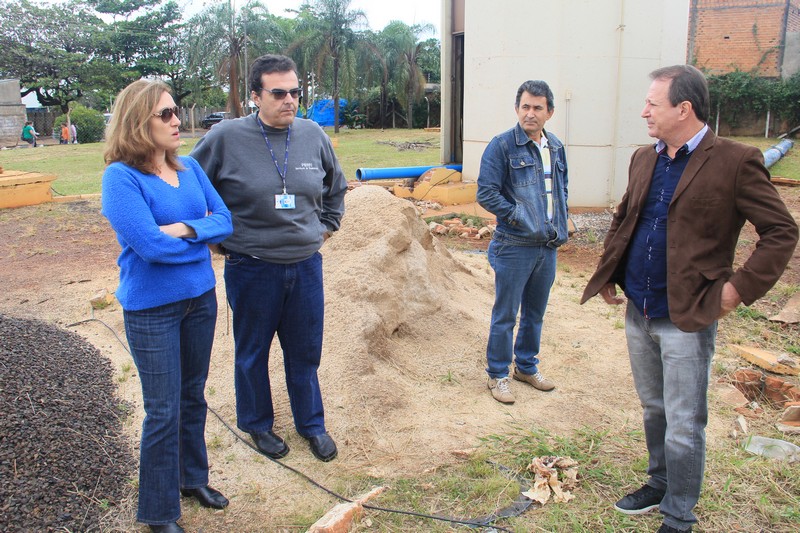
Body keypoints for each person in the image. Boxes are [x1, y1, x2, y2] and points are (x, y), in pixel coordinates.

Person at [581, 65, 798, 533]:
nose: (643, 112)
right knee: (654, 408)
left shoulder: (736, 161)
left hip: (689, 313)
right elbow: (624, 217)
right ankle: (659, 481)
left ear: (684, 108)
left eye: (652, 105)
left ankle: (679, 514)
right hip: (640, 308)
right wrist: (609, 273)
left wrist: (737, 290)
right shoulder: (645, 157)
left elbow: (781, 231)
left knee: (684, 420)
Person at [191, 54, 347, 462]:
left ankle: (311, 424)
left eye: (295, 91)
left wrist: (325, 227)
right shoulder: (226, 138)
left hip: (305, 265)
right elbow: (189, 184)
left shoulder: (313, 134)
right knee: (252, 351)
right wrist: (213, 237)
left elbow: (336, 187)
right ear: (256, 96)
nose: (289, 100)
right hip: (251, 267)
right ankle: (257, 424)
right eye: (278, 93)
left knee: (304, 352)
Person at [102, 79, 233, 533]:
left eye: (176, 111)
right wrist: (198, 234)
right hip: (152, 308)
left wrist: (180, 229)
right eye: (165, 115)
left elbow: (225, 221)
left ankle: (192, 478)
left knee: (193, 395)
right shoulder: (121, 177)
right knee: (163, 409)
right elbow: (148, 248)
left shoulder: (192, 168)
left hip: (200, 300)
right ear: (139, 122)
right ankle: (158, 512)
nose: (178, 121)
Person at [476, 80, 570, 404]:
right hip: (514, 245)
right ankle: (498, 374)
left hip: (547, 246)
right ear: (517, 109)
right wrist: (518, 215)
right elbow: (485, 193)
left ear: (549, 112)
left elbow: (562, 190)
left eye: (538, 107)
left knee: (535, 313)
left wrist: (560, 223)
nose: (530, 113)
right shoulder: (502, 146)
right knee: (506, 314)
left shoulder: (555, 146)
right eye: (525, 106)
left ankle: (526, 367)